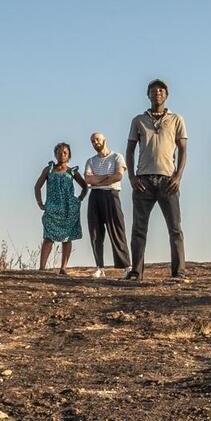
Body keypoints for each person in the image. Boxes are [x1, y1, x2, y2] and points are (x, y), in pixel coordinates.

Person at [125, 79, 188, 281]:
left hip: (167, 180)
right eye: (153, 91)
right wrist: (132, 177)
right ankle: (136, 271)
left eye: (161, 90)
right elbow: (130, 149)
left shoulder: (176, 119)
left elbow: (183, 149)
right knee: (139, 228)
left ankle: (178, 272)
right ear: (148, 95)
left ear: (166, 95)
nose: (157, 93)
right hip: (143, 180)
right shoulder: (138, 120)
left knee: (175, 228)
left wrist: (178, 176)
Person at [35, 142, 88, 274]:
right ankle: (42, 268)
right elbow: (37, 186)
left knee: (67, 238)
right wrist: (40, 202)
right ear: (55, 154)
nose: (61, 154)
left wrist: (79, 199)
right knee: (48, 237)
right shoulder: (49, 170)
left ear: (69, 155)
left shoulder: (72, 172)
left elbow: (85, 186)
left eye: (65, 152)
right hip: (52, 208)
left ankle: (63, 268)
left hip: (68, 209)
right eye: (59, 152)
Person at [84, 132, 131, 278]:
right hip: (95, 197)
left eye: (97, 139)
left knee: (117, 229)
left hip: (111, 195)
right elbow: (88, 179)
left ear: (104, 140)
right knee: (95, 232)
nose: (95, 142)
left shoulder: (117, 157)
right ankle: (100, 267)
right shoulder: (91, 161)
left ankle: (126, 266)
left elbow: (118, 175)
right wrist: (106, 178)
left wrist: (98, 180)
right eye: (92, 141)